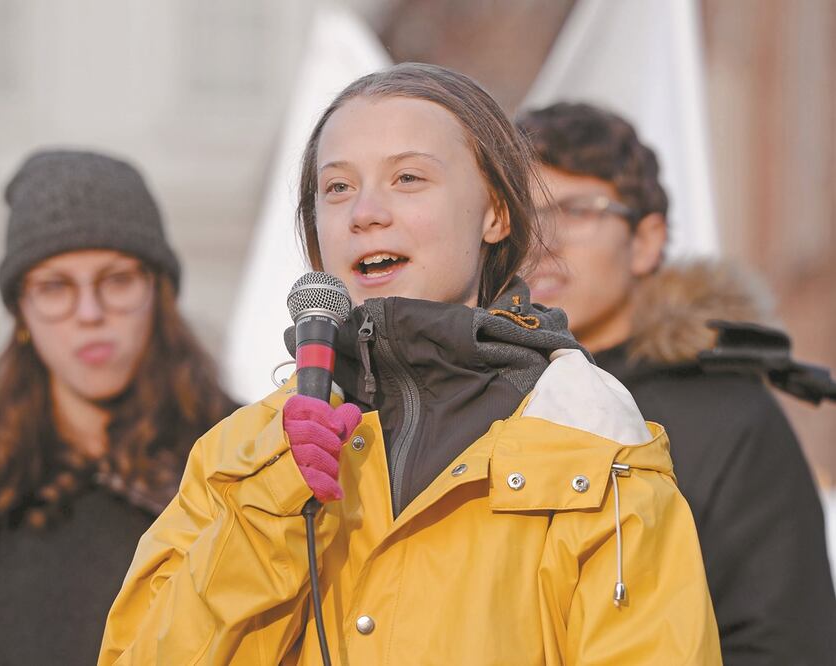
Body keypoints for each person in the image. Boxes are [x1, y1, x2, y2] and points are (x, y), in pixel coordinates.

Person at [99, 64, 720, 665]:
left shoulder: (594, 442)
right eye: (337, 187)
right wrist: (268, 511)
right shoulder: (240, 456)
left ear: (496, 213)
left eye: (408, 179)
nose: (364, 211)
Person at [515, 102, 836, 665]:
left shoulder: (730, 413)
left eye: (577, 210)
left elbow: (784, 642)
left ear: (646, 240)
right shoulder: (481, 398)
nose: (543, 240)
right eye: (524, 214)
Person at [0, 149, 237, 666]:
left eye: (117, 279)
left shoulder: (238, 468)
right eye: (55, 286)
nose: (89, 313)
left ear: (158, 293)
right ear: (21, 310)